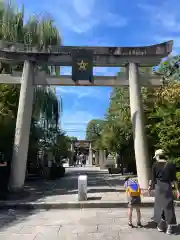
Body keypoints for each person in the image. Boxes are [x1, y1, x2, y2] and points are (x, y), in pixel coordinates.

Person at [148, 149, 180, 235]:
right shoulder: (171, 165)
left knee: (159, 206)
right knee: (169, 206)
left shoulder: (155, 165)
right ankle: (170, 227)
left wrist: (150, 187)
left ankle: (161, 225)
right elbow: (174, 179)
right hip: (167, 187)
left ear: (157, 156)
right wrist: (177, 190)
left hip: (159, 187)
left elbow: (153, 179)